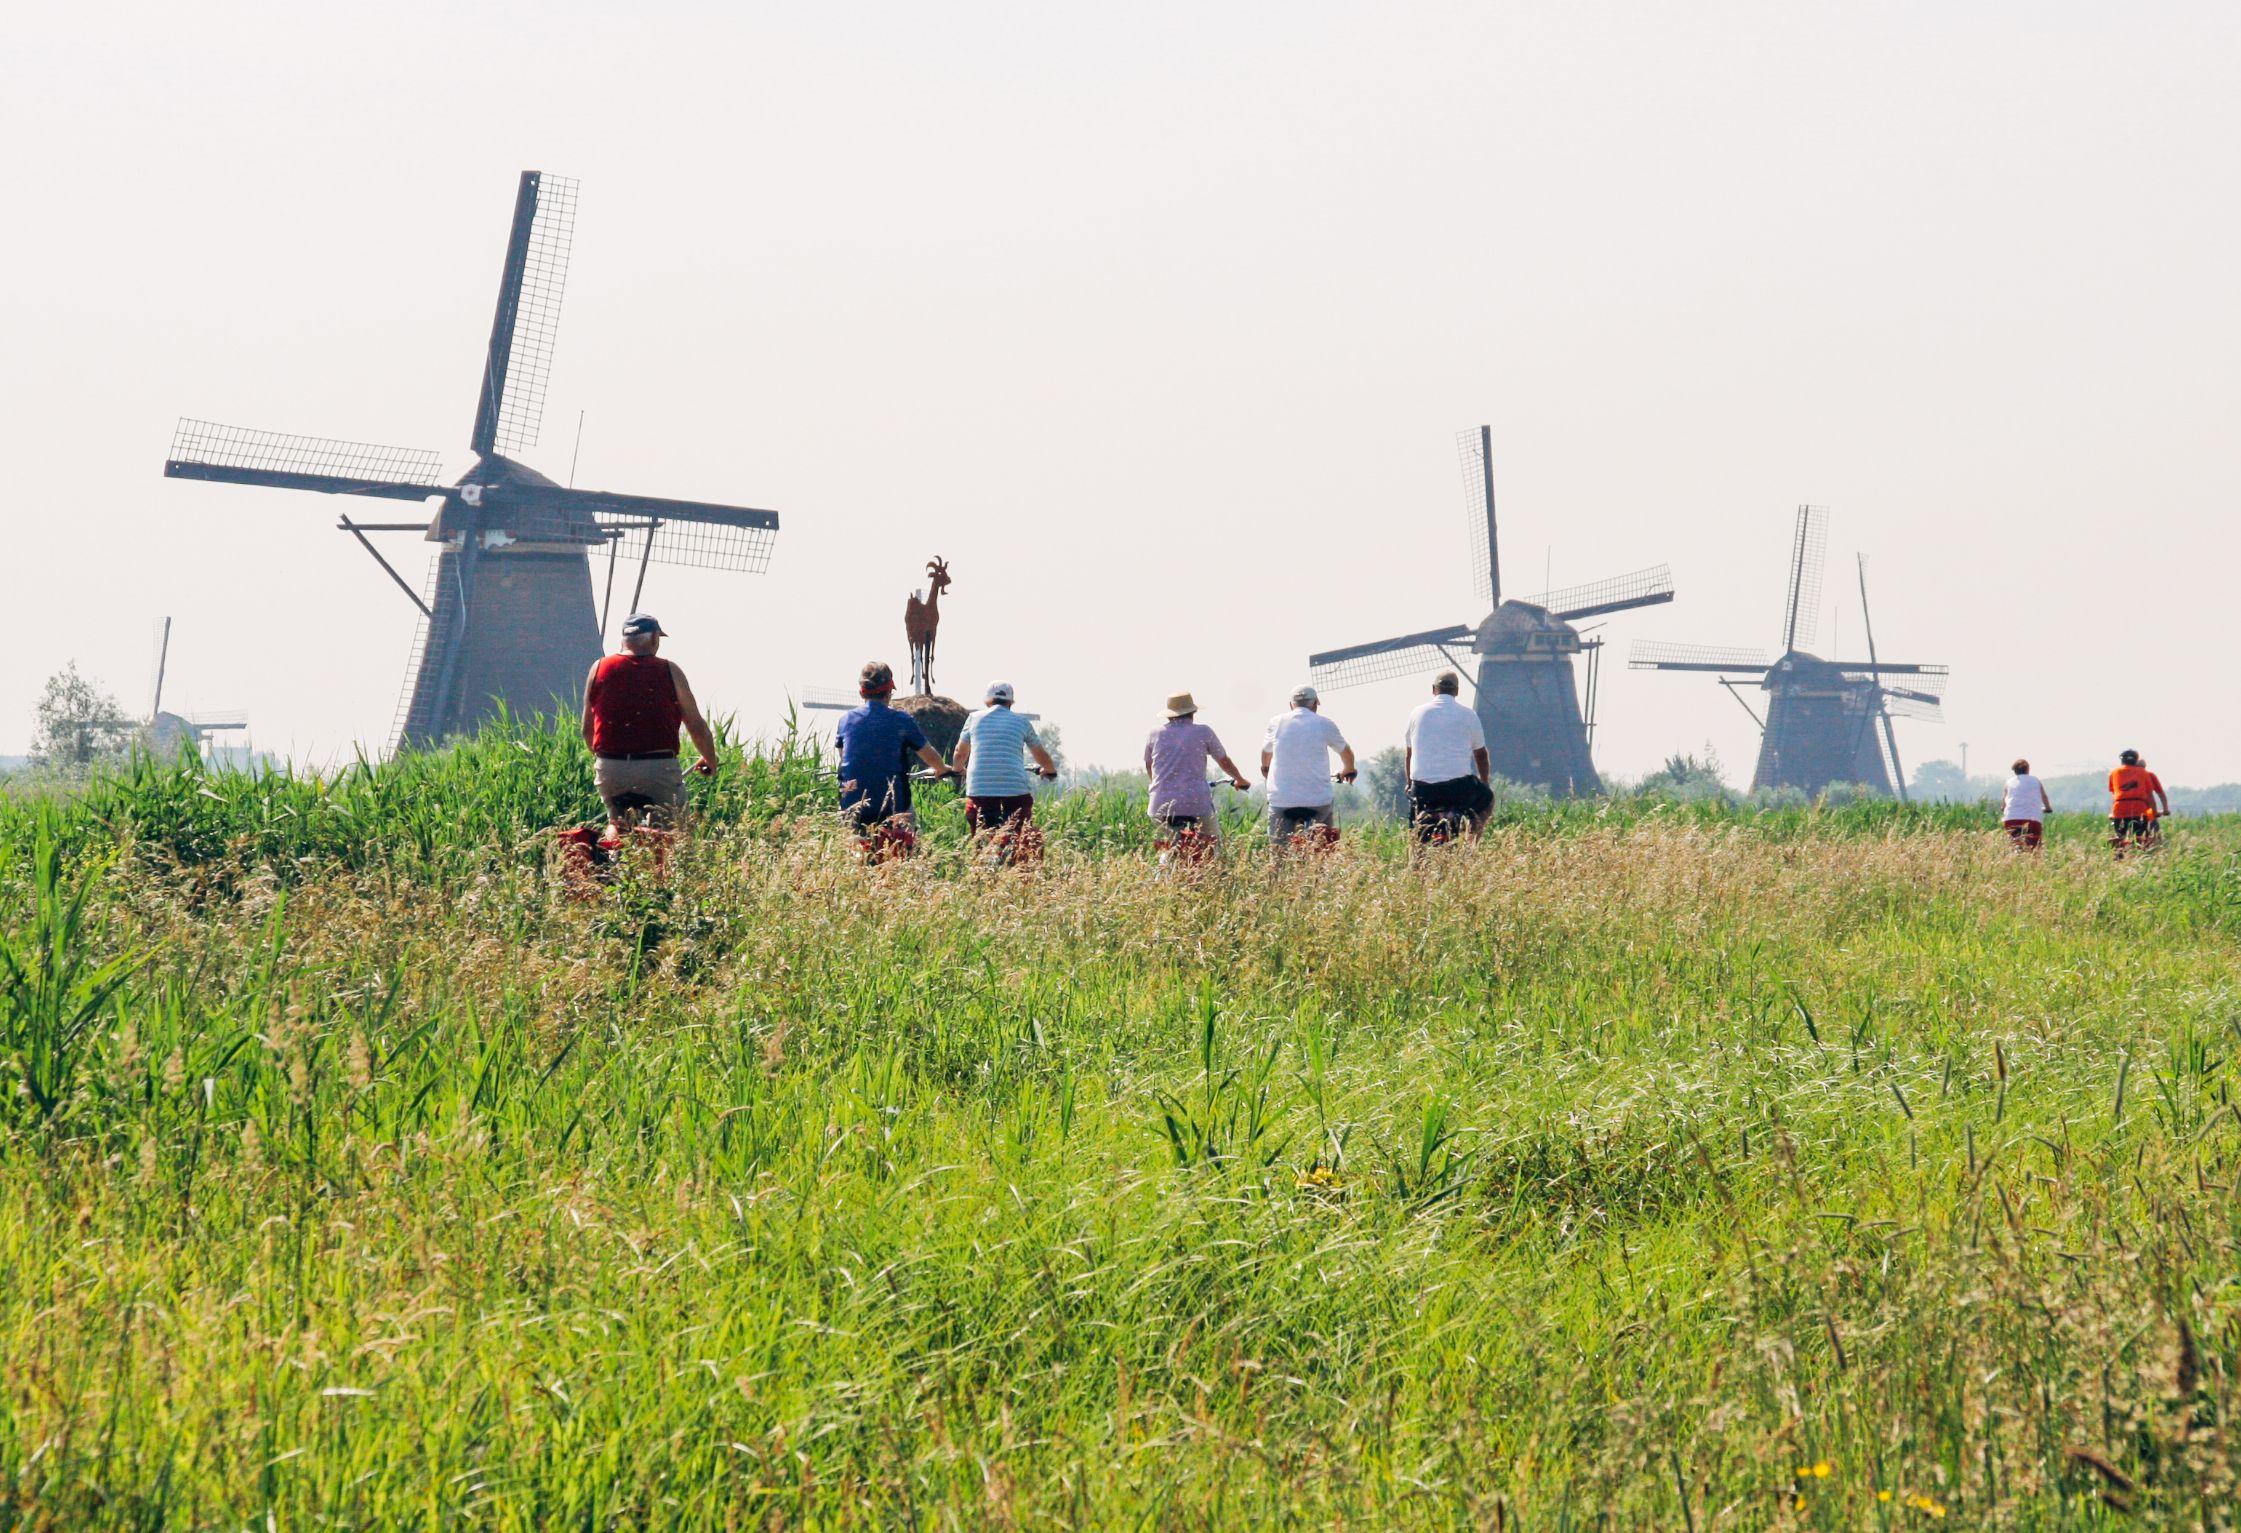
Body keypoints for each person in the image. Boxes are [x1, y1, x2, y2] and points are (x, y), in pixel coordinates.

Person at [579, 613, 720, 830]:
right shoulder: (669, 670)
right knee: (676, 832)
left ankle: (608, 858)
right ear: (654, 638)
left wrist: (610, 762)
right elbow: (696, 726)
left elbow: (587, 729)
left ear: (624, 639)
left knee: (617, 822)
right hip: (657, 767)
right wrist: (710, 760)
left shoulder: (598, 668)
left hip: (610, 767)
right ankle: (667, 861)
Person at [835, 660, 951, 836]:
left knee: (852, 845)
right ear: (889, 692)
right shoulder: (902, 720)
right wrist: (942, 769)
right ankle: (909, 854)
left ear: (861, 692)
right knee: (909, 834)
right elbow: (929, 755)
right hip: (893, 805)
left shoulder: (845, 720)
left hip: (852, 805)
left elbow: (844, 758)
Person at [952, 680, 1058, 833]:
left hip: (980, 791)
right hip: (1015, 791)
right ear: (1011, 702)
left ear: (987, 701)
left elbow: (960, 752)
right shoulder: (1022, 722)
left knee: (982, 839)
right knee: (1019, 837)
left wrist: (957, 769)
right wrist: (1050, 770)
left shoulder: (974, 719)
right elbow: (1040, 753)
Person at [1145, 692, 1250, 843]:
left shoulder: (1154, 733)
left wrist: (1162, 785)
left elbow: (1149, 765)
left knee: (1170, 844)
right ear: (1193, 712)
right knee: (1211, 844)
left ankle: (1167, 860)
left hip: (1159, 804)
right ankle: (1211, 862)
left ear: (1168, 715)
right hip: (1195, 802)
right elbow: (1223, 761)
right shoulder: (1203, 731)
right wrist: (1239, 779)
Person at [1260, 685, 1356, 844]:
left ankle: (1277, 864)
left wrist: (1266, 770)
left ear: (1291, 705)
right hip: (1318, 801)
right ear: (1316, 703)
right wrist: (1349, 769)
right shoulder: (1324, 723)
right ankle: (1321, 862)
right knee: (1322, 846)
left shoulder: (1276, 722)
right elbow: (1345, 752)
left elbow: (1266, 754)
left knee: (1278, 850)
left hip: (1282, 800)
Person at [1404, 672, 1493, 837]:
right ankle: (1470, 847)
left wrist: (1410, 784)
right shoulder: (1469, 715)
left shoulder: (1417, 713)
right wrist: (1485, 783)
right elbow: (1481, 755)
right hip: (1457, 789)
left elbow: (1409, 755)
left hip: (1423, 789)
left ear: (1433, 689)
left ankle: (1414, 856)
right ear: (1457, 691)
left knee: (1415, 822)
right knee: (1487, 799)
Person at [2108, 748, 2156, 857]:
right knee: (2141, 838)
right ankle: (2142, 857)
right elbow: (2149, 795)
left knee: (2121, 837)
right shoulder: (2143, 773)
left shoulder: (2114, 773)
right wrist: (2153, 813)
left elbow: (2114, 794)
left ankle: (2119, 858)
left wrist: (2113, 813)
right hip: (2139, 809)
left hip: (2120, 809)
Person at [2000, 757, 2051, 851]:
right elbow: (2044, 797)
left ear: (2015, 771)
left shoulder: (2009, 782)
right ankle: (2032, 862)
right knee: (2034, 848)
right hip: (2032, 820)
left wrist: (2004, 809)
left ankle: (2014, 860)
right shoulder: (2035, 781)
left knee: (2014, 845)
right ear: (2028, 770)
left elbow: (2003, 804)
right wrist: (2048, 808)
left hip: (2012, 819)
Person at [2140, 755, 2171, 848]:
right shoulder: (2149, 775)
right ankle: (2158, 847)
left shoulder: (2126, 776)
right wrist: (2165, 809)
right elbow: (2160, 793)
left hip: (2127, 810)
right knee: (2154, 830)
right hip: (2148, 811)